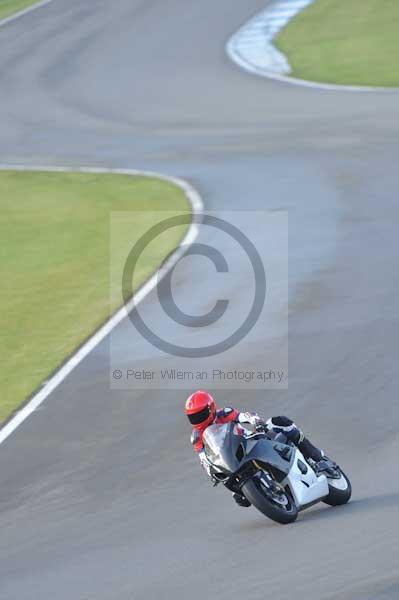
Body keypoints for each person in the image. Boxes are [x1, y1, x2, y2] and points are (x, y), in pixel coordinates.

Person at [185, 390, 324, 507]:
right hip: (232, 461)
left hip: (250, 441)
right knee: (241, 499)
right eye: (193, 417)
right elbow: (203, 457)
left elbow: (244, 416)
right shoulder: (197, 436)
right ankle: (270, 492)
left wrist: (256, 422)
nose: (197, 419)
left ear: (210, 408)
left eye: (199, 415)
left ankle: (315, 455)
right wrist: (211, 471)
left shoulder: (224, 413)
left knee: (280, 422)